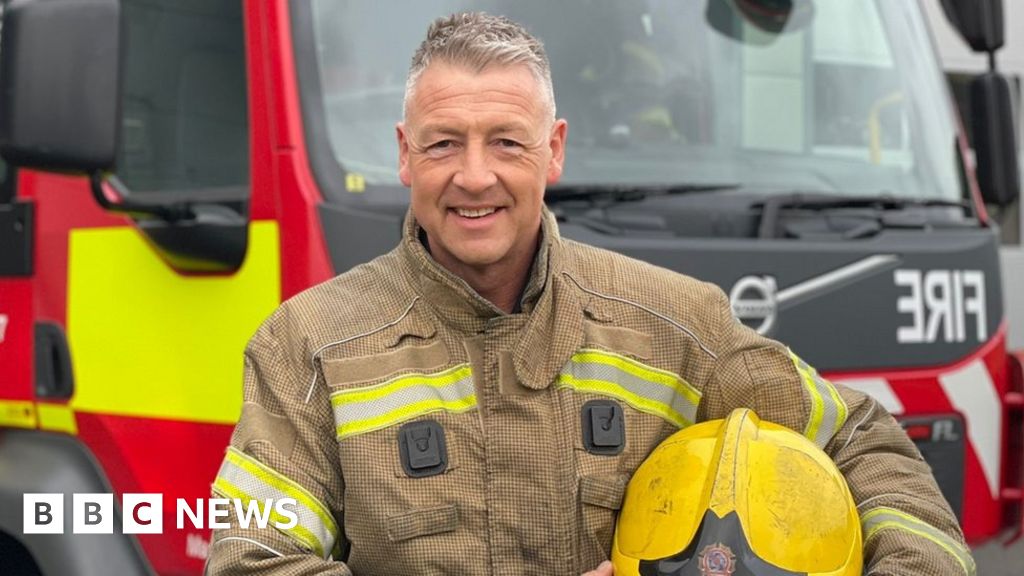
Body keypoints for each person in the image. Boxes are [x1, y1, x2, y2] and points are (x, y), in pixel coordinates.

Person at [205, 12, 975, 576]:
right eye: (444, 144)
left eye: (507, 141)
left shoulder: (676, 327)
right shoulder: (308, 346)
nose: (475, 176)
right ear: (405, 156)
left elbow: (863, 442)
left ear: (555, 150)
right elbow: (251, 563)